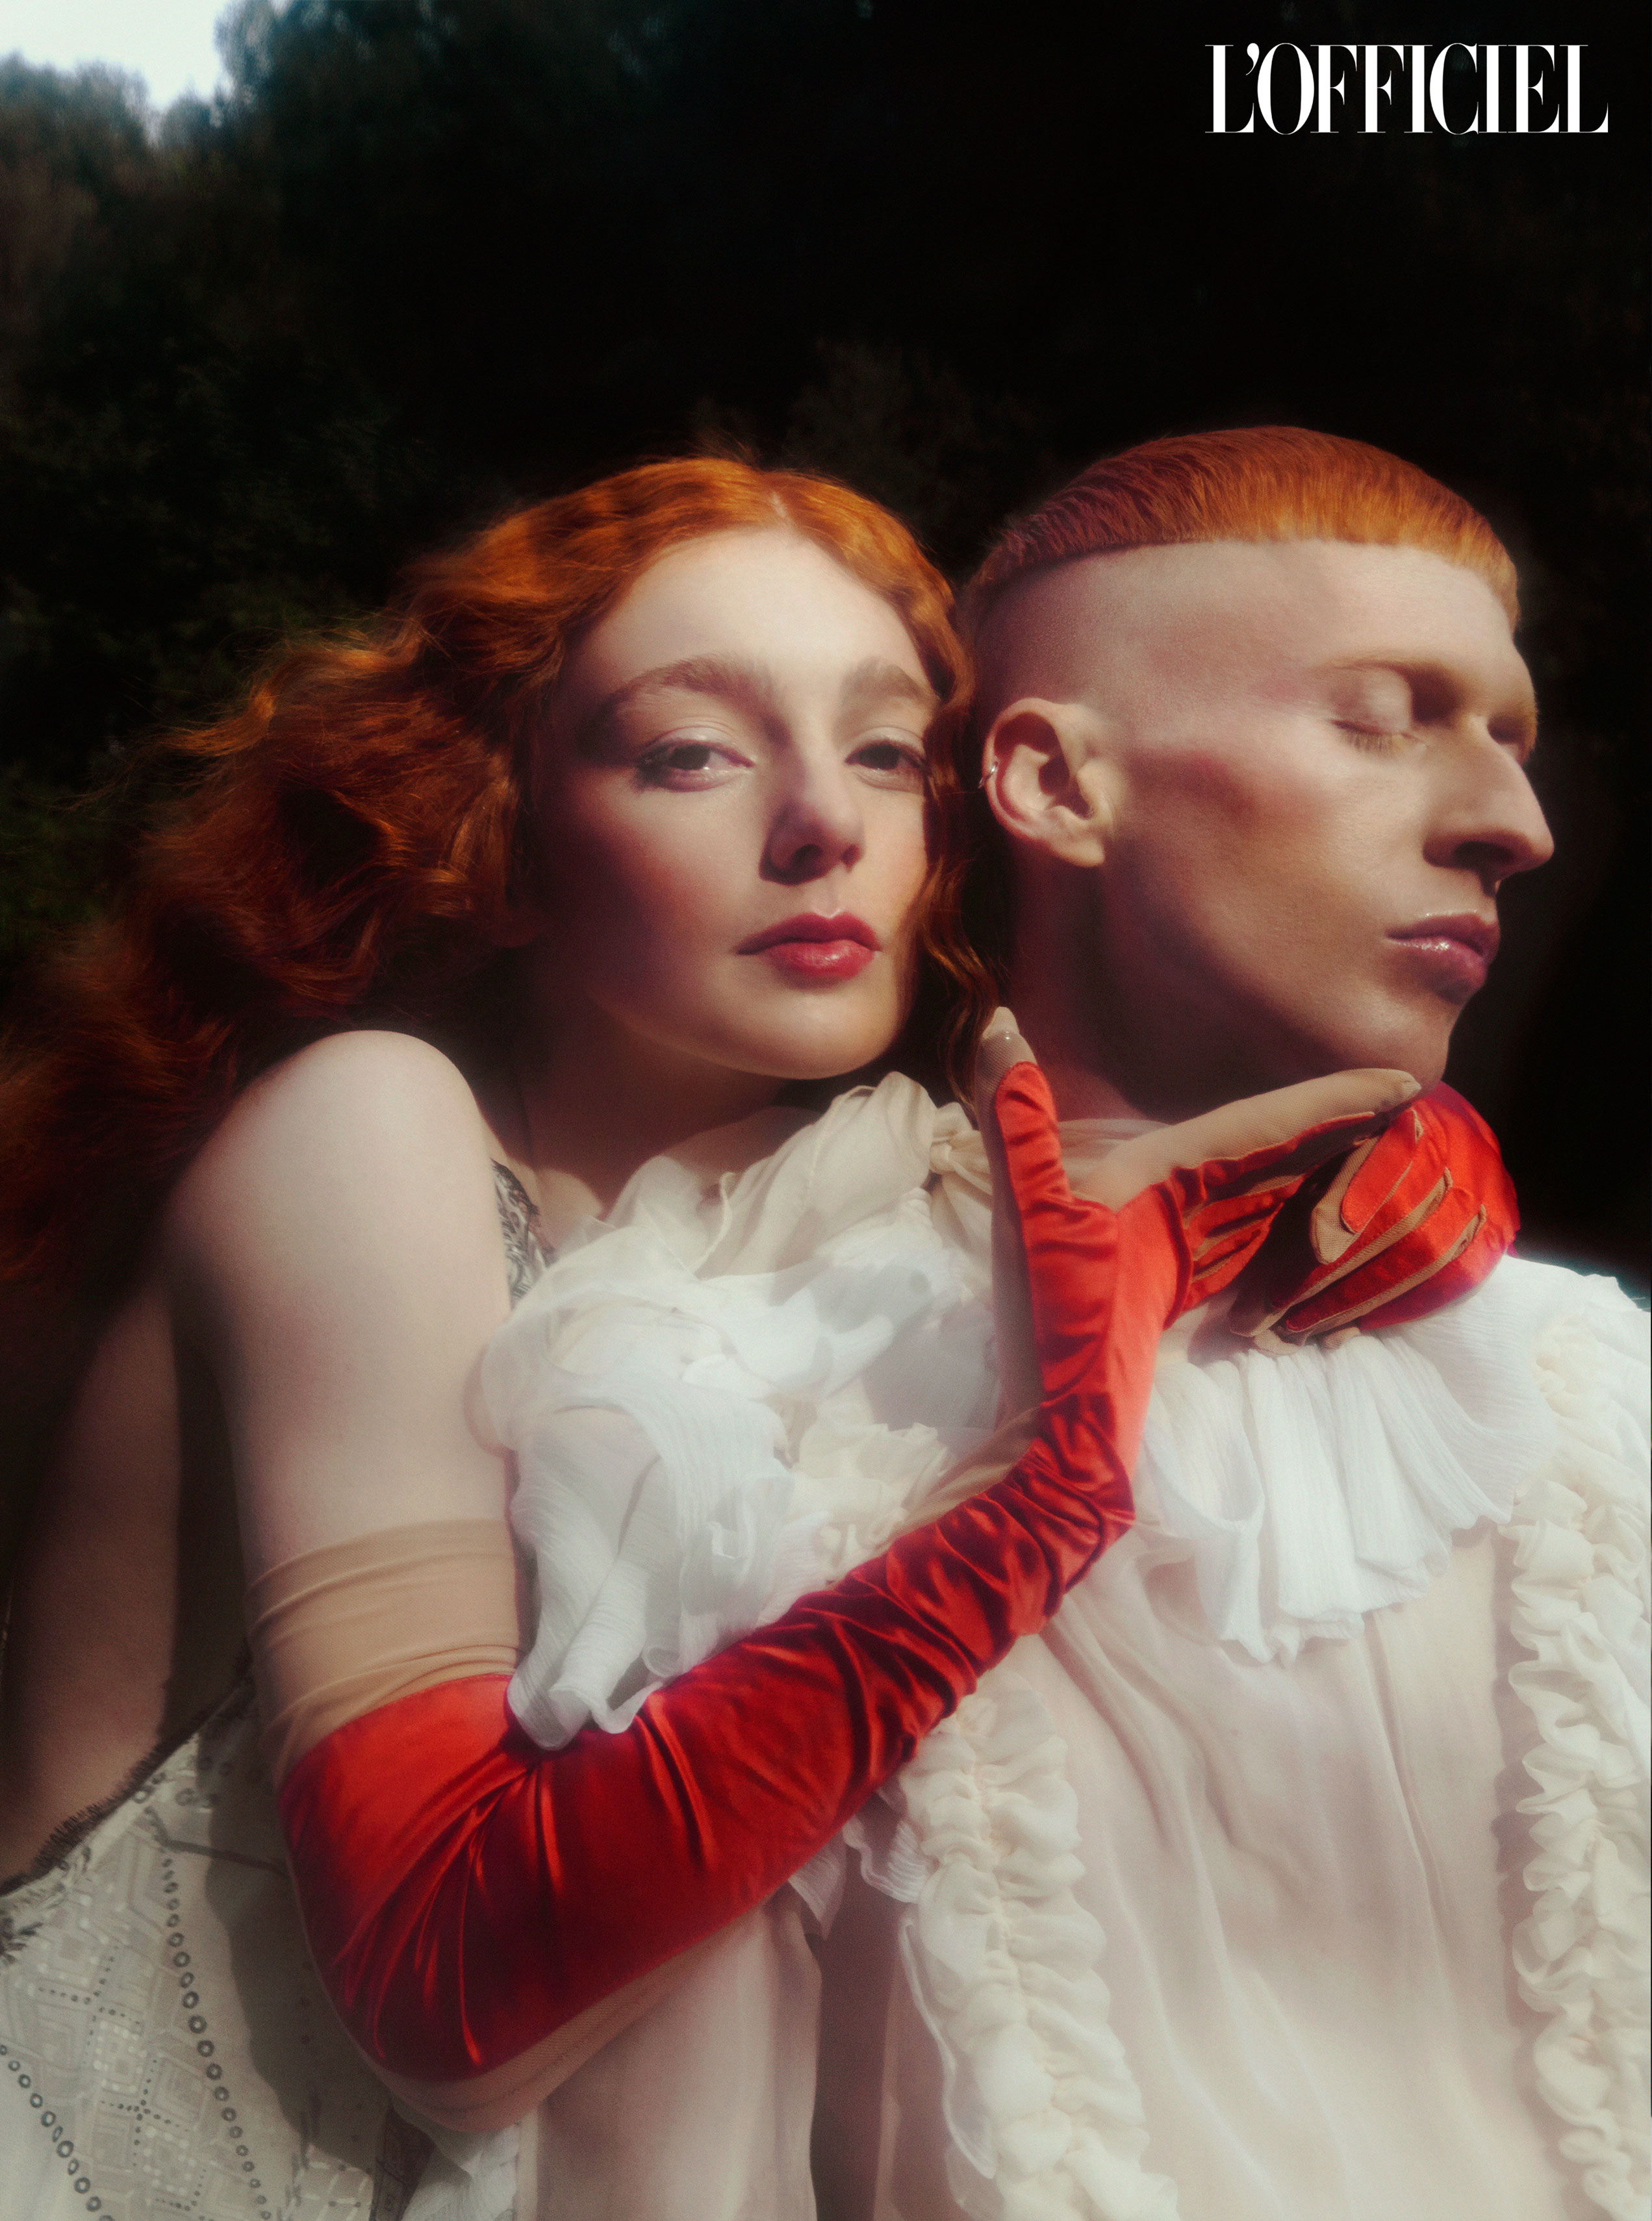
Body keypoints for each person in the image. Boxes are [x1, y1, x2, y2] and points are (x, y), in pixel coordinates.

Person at [0, 452, 1424, 2221]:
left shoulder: (842, 1205)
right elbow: (447, 1990)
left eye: (887, 751)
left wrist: (1375, 1174)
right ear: (501, 830)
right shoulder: (362, 1134)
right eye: (691, 751)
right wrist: (1028, 1506)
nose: (823, 822)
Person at [817, 427, 1648, 2221]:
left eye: (1508, 734)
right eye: (1382, 719)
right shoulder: (758, 1380)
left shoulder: (1596, 1393)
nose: (1517, 826)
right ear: (1055, 782)